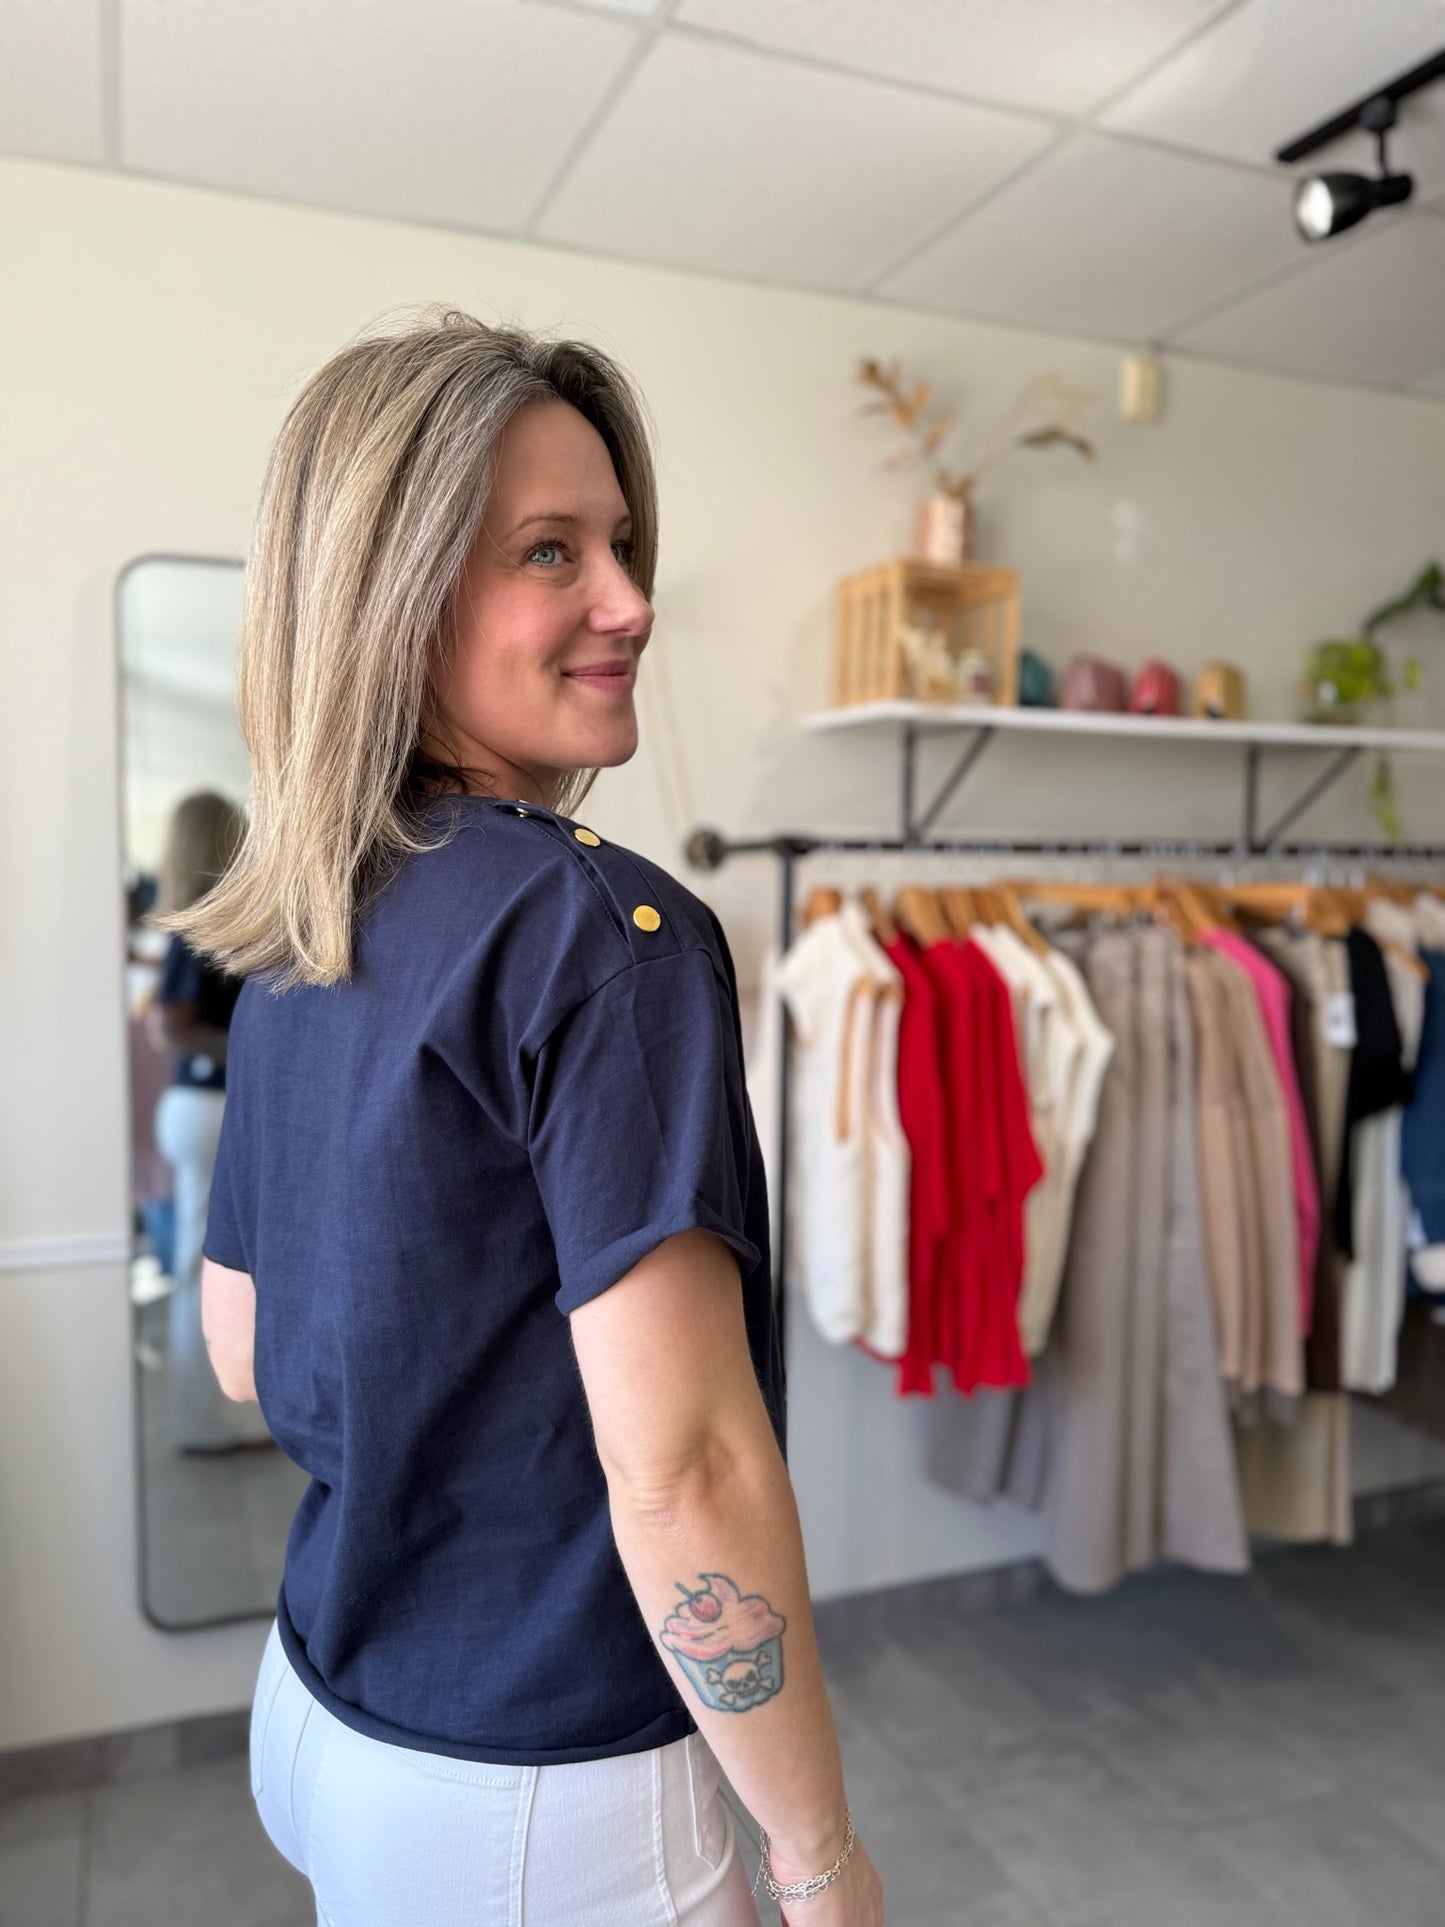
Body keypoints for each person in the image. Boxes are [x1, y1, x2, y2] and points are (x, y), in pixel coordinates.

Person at [156, 307, 884, 1926]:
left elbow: (236, 1344)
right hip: (549, 1798)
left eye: (619, 542)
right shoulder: (601, 936)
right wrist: (819, 1852)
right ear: (395, 597)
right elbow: (687, 1464)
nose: (629, 601)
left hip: (327, 1703)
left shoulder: (297, 929)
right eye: (550, 552)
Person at [149, 791, 272, 1453]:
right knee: (208, 1266)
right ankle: (208, 1417)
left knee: (205, 1261)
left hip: (191, 1106)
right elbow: (174, 1023)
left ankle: (211, 1412)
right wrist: (249, 1052)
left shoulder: (189, 923)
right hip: (208, 1103)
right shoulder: (204, 923)